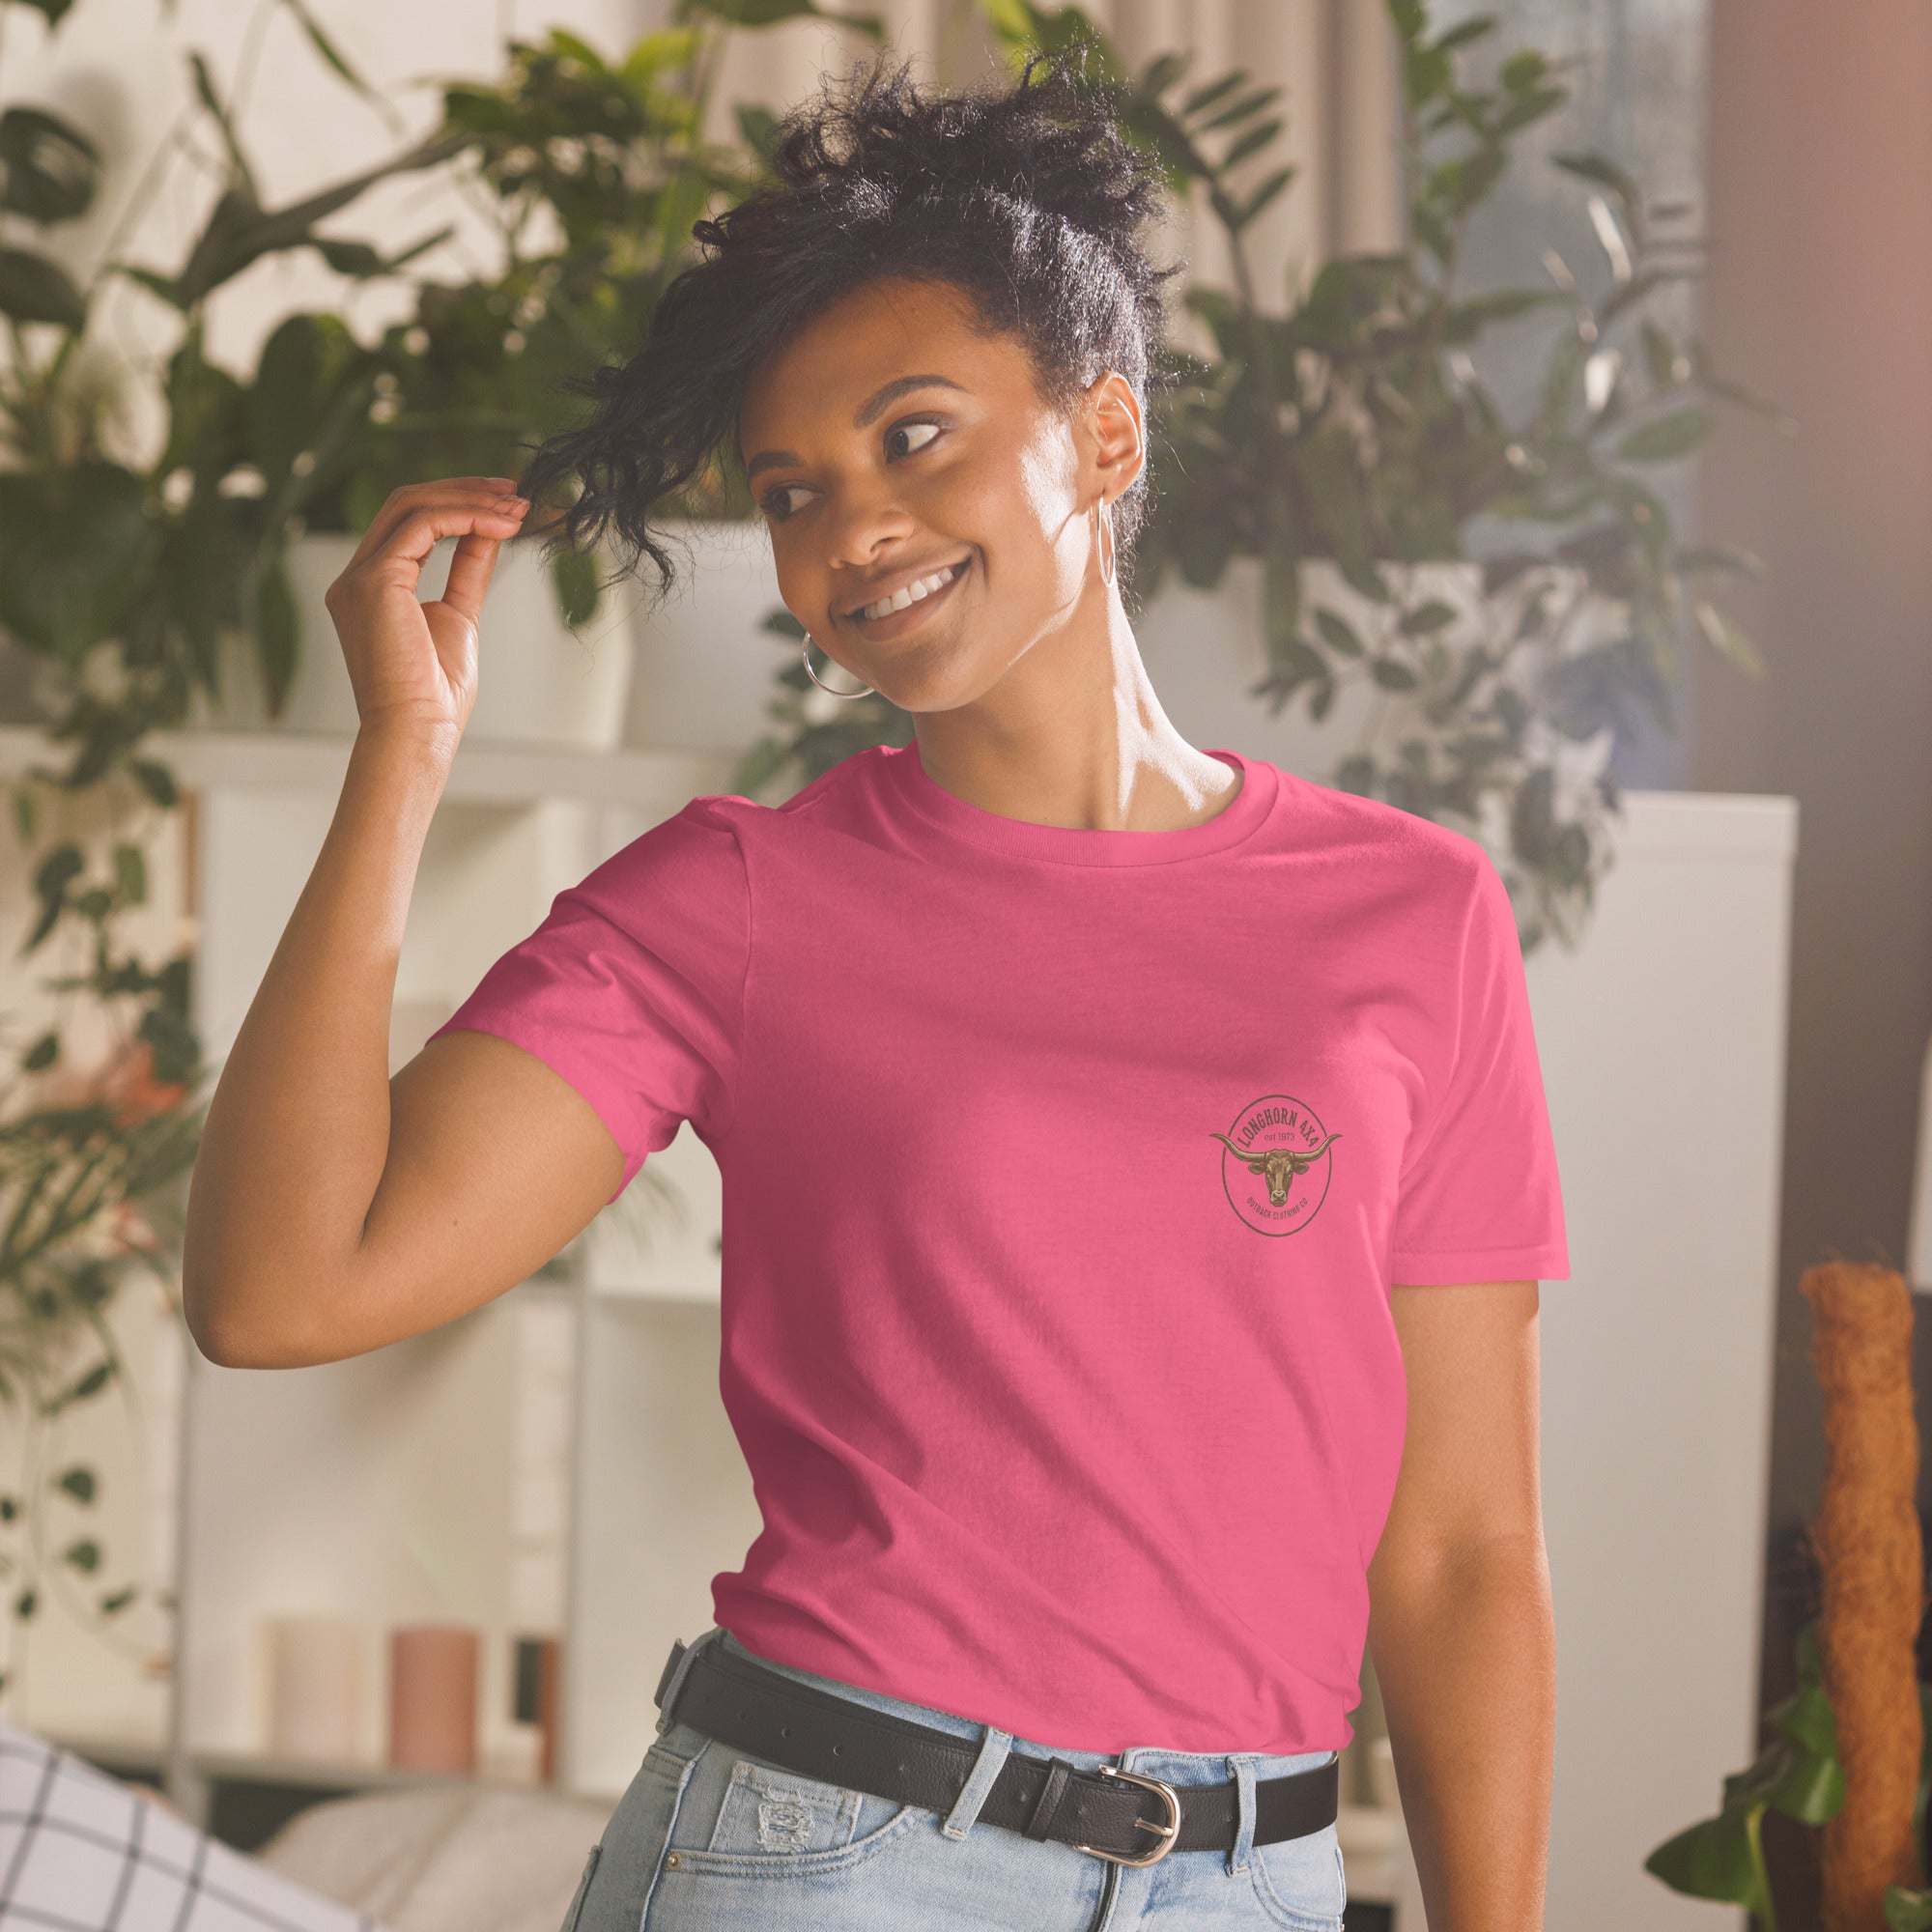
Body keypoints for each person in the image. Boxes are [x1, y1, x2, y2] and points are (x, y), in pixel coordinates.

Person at [181, 50, 1568, 1932]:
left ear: (1102, 433)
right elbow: (280, 1288)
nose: (850, 535)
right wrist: (404, 760)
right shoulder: (735, 903)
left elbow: (1467, 1545)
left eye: (912, 436)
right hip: (830, 1855)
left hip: (1259, 1880)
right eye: (790, 492)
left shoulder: (1411, 913)